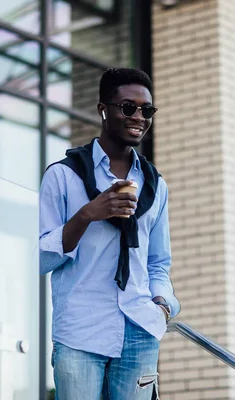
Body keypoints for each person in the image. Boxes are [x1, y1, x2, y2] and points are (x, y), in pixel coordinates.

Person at [39, 68, 180, 400]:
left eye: (147, 110)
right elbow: (37, 258)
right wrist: (88, 214)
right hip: (80, 333)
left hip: (141, 330)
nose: (139, 117)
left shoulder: (156, 186)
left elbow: (157, 262)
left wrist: (162, 304)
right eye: (128, 107)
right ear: (103, 109)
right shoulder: (62, 177)